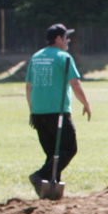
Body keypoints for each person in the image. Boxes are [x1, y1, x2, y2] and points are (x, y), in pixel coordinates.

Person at [26, 23, 91, 198]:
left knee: (53, 154)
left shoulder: (36, 57)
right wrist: (86, 103)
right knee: (69, 148)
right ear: (58, 39)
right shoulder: (64, 57)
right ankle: (39, 176)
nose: (68, 40)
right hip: (58, 112)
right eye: (65, 37)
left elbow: (29, 86)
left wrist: (32, 110)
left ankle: (51, 192)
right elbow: (75, 83)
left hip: (38, 112)